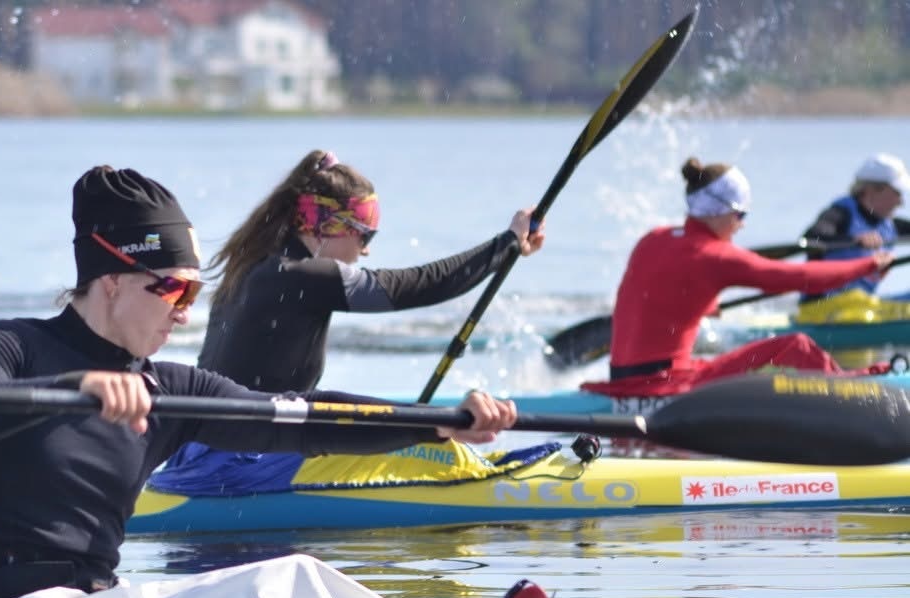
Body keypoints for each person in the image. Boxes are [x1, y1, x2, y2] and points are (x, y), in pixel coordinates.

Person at [0, 166, 516, 598]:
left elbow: (303, 422)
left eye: (191, 296)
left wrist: (437, 424)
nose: (183, 314)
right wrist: (75, 388)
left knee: (295, 580)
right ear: (112, 281)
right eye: (172, 290)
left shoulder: (169, 389)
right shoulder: (10, 346)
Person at [197, 149, 545, 394]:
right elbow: (419, 286)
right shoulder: (301, 274)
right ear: (326, 225)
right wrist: (507, 244)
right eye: (365, 235)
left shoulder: (249, 263)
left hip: (199, 457)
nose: (366, 250)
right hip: (245, 463)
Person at [582, 157, 894, 401]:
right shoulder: (716, 255)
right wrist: (866, 266)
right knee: (793, 345)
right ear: (721, 212)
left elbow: (649, 293)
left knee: (739, 364)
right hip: (662, 387)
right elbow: (804, 278)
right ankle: (849, 393)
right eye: (740, 215)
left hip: (623, 379)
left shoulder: (653, 238)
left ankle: (810, 389)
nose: (741, 226)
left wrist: (702, 305)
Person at [796, 152, 910, 323]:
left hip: (861, 305)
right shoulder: (840, 215)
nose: (901, 202)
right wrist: (855, 240)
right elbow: (811, 239)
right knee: (861, 312)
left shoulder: (891, 225)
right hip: (820, 309)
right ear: (871, 190)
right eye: (897, 193)